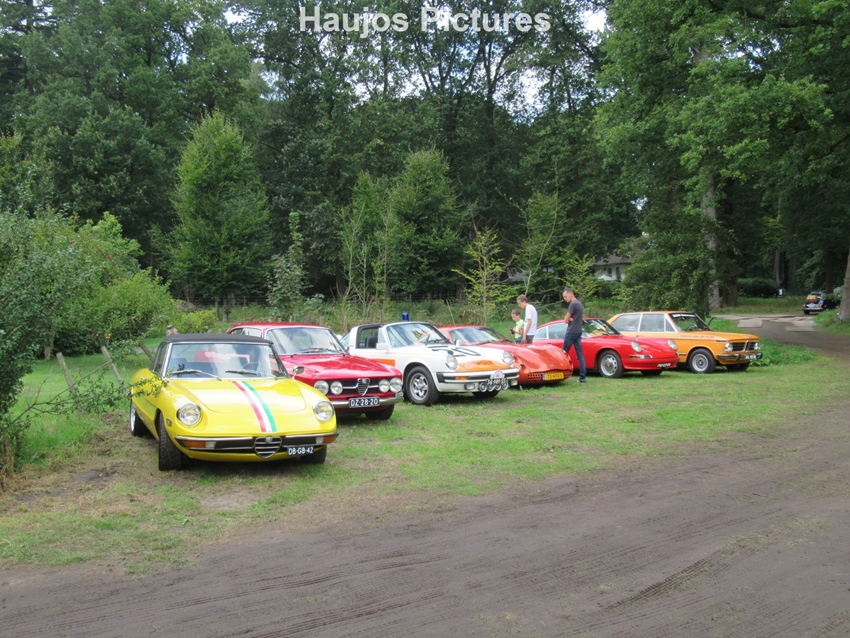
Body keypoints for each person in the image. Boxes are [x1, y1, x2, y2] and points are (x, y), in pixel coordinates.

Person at [562, 287, 587, 383]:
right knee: (580, 355)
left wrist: (568, 318)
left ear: (570, 294)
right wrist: (570, 318)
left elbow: (565, 320)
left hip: (571, 332)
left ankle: (560, 373)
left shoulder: (572, 304)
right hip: (578, 332)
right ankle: (583, 377)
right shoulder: (579, 303)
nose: (565, 298)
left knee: (563, 353)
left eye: (565, 296)